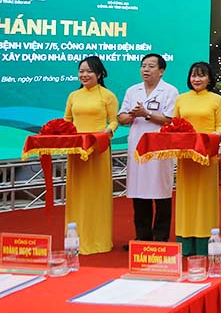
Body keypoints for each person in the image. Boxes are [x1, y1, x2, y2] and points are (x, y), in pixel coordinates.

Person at [118, 53, 179, 244]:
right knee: (138, 190)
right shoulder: (132, 90)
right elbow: (121, 118)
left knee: (161, 190)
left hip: (159, 147)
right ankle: (142, 237)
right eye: (143, 66)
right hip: (137, 144)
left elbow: (170, 119)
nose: (146, 69)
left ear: (161, 71)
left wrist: (146, 114)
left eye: (151, 66)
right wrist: (132, 115)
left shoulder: (170, 91)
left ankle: (160, 237)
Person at [63, 55, 119, 254]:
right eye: (81, 71)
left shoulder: (107, 95)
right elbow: (67, 121)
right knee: (76, 194)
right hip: (77, 151)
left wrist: (107, 132)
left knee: (96, 195)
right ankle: (75, 239)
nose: (84, 75)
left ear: (99, 73)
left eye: (89, 71)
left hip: (98, 150)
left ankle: (98, 240)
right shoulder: (73, 96)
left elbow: (114, 121)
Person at [172, 62, 221, 256]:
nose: (197, 79)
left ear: (209, 78)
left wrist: (213, 137)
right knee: (185, 198)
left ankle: (205, 241)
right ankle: (185, 242)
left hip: (206, 155)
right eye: (194, 75)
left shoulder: (216, 100)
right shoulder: (181, 99)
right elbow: (175, 124)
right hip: (185, 156)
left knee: (205, 198)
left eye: (202, 75)